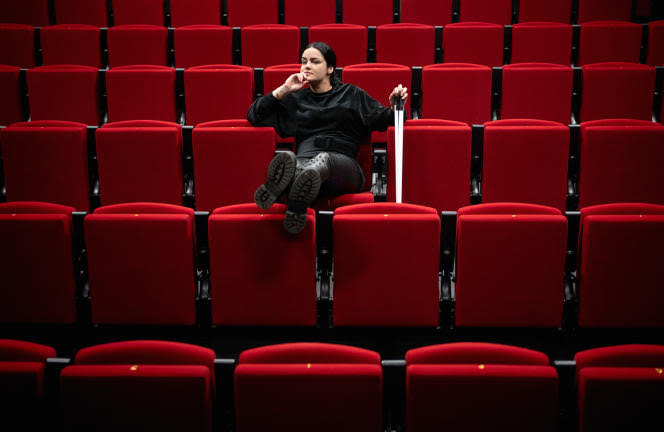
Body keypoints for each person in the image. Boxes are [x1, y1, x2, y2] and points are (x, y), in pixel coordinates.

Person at [248, 41, 408, 234]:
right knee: (305, 165)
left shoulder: (351, 94)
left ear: (330, 68)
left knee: (322, 160)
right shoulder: (296, 100)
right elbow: (254, 116)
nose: (307, 66)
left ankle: (286, 182)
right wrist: (284, 90)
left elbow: (388, 119)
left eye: (314, 61)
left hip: (345, 169)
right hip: (307, 161)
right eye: (303, 61)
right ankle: (297, 203)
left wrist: (395, 105)